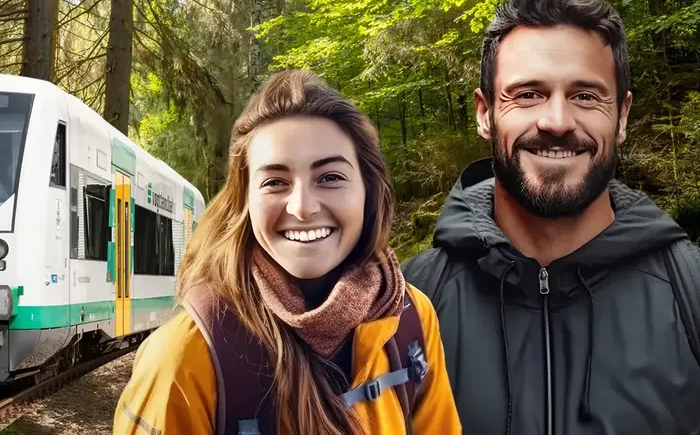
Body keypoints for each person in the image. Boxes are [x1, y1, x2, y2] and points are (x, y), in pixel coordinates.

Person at [402, 0, 700, 434]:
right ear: (485, 113)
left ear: (622, 117)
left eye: (586, 96)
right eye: (528, 95)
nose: (557, 121)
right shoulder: (401, 308)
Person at [115, 70, 461, 434]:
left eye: (330, 177)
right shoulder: (185, 358)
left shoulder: (410, 318)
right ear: (244, 202)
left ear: (368, 191)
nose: (302, 207)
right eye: (275, 182)